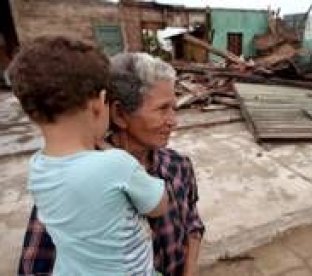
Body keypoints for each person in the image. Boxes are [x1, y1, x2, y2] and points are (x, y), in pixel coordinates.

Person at [18, 52, 205, 276]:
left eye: (175, 108)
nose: (174, 121)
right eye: (162, 109)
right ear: (119, 114)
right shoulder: (76, 183)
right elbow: (33, 268)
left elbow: (193, 225)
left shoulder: (178, 166)